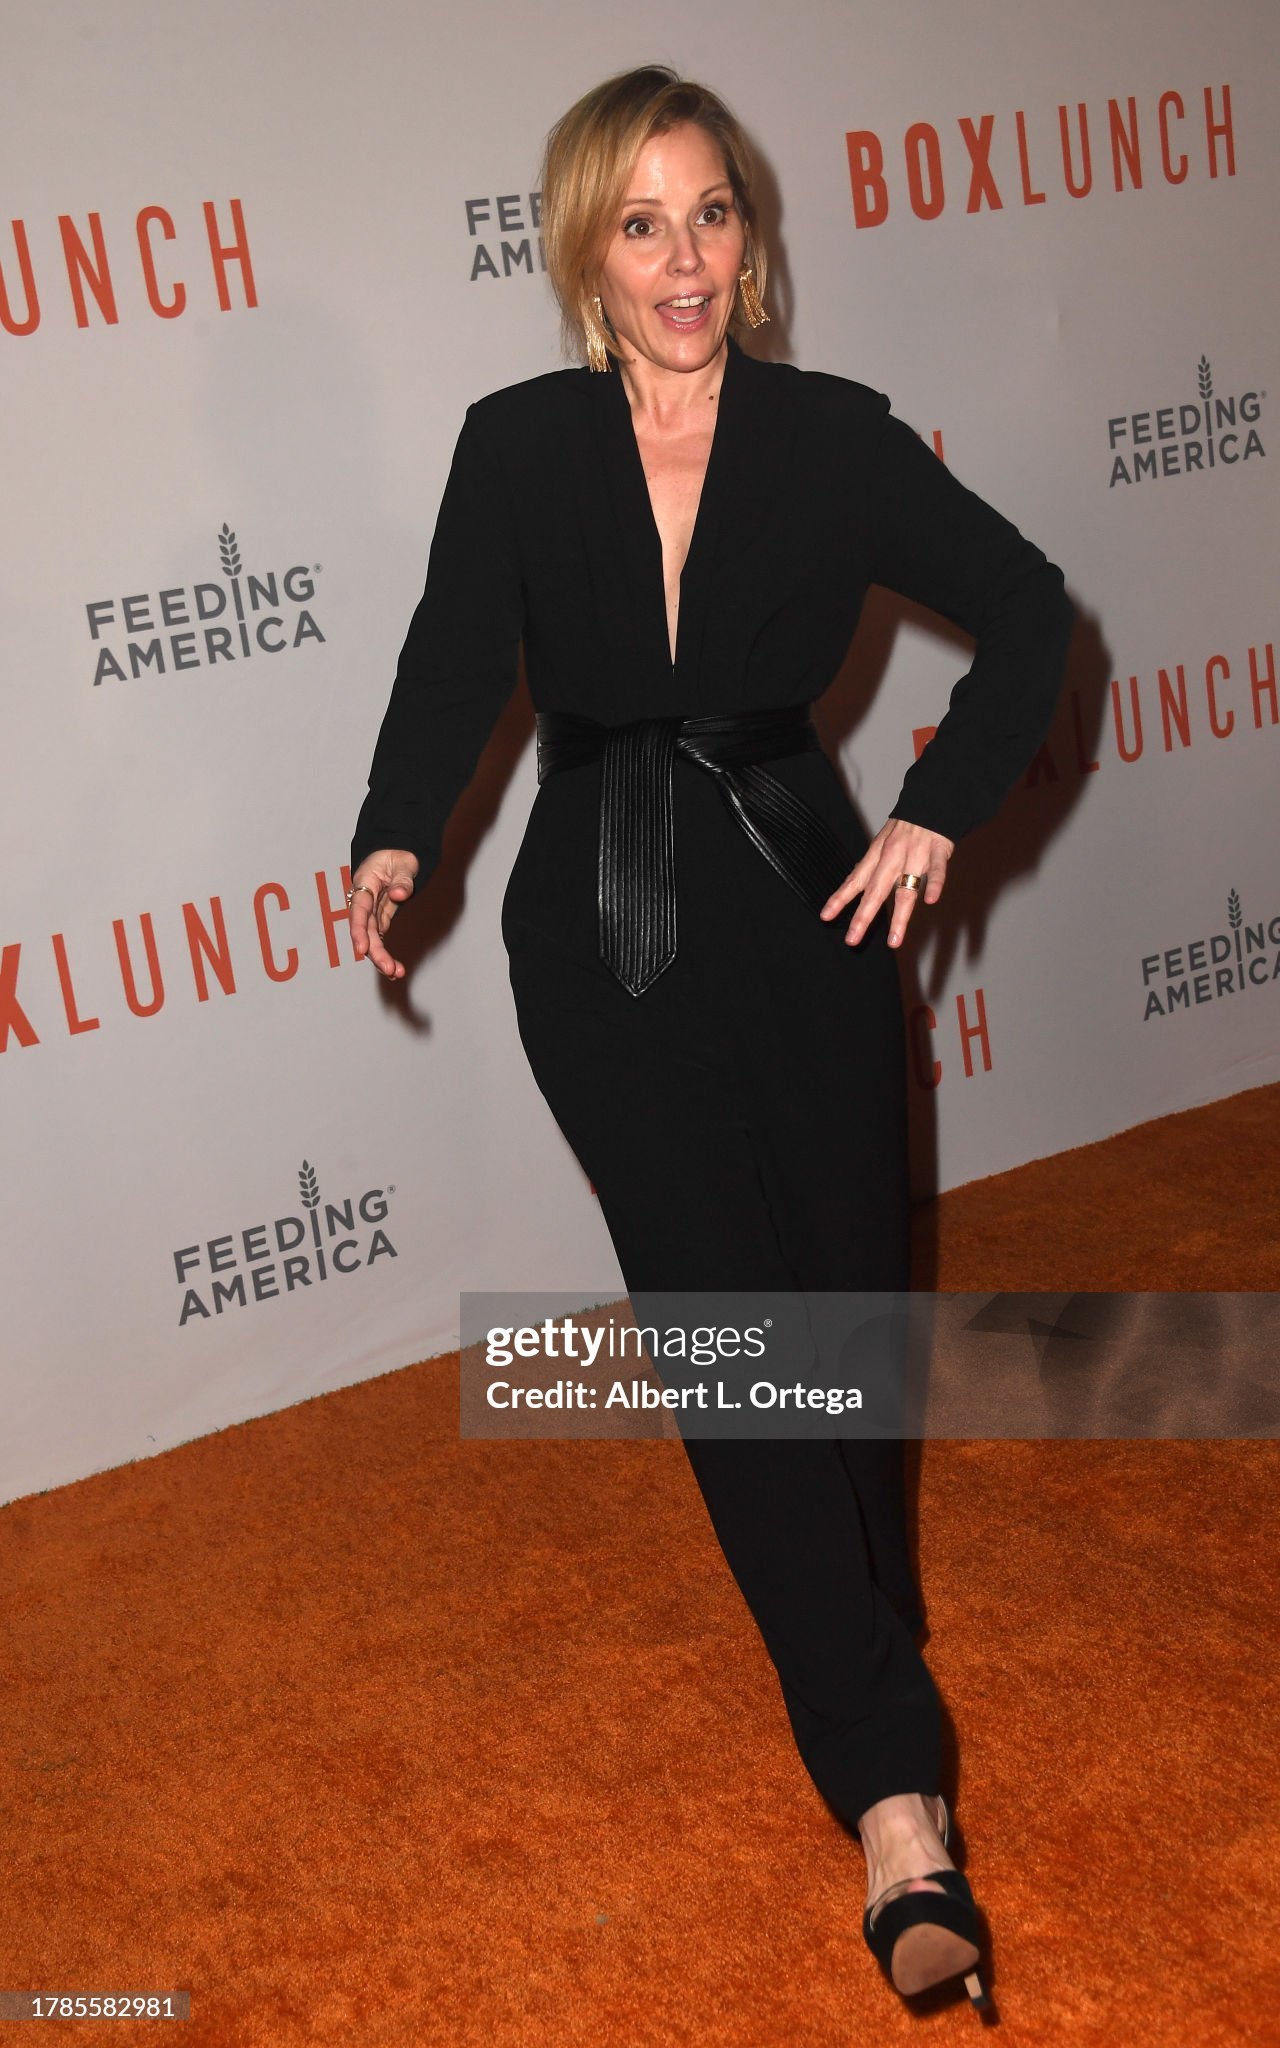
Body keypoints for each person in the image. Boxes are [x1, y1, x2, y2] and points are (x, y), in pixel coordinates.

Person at [348, 65, 1075, 2021]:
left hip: (807, 903)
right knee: (738, 1344)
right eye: (642, 221)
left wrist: (940, 804)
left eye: (714, 214)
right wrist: (398, 829)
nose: (684, 259)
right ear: (585, 251)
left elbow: (1027, 608)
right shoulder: (517, 447)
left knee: (843, 1321)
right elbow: (450, 658)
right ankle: (895, 1800)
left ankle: (868, 1641)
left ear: (749, 242)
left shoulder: (833, 440)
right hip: (597, 934)